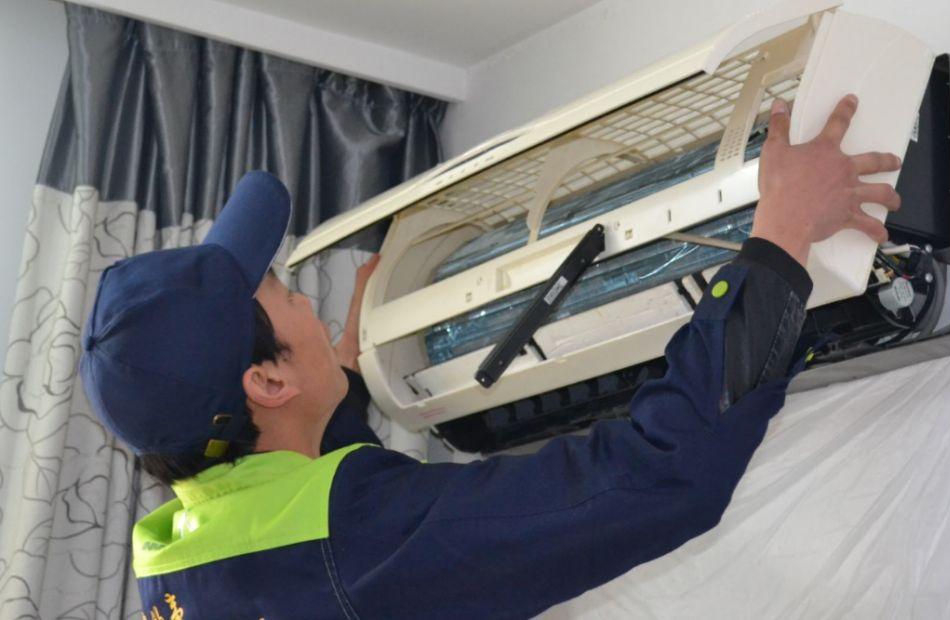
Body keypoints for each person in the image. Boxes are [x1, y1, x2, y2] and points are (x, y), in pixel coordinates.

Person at [79, 95, 901, 618]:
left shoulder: (178, 561)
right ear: (267, 379)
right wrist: (781, 235)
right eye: (282, 292)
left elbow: (305, 523)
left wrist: (347, 373)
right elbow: (659, 477)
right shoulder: (362, 542)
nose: (306, 302)